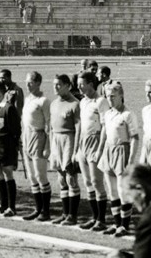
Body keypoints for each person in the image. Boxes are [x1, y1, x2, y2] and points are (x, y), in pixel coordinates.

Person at [99, 82, 140, 237]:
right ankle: (116, 224)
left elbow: (135, 138)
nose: (110, 99)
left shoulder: (128, 114)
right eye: (108, 96)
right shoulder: (108, 113)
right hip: (108, 151)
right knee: (112, 191)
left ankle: (124, 225)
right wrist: (100, 149)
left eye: (113, 96)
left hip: (122, 150)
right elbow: (104, 132)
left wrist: (130, 160)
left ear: (121, 96)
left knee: (123, 191)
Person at [76, 71, 109, 229]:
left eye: (81, 84)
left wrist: (100, 149)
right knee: (87, 182)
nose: (79, 87)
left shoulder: (101, 101)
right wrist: (77, 148)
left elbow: (105, 127)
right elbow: (80, 126)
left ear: (90, 83)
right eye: (78, 84)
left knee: (97, 182)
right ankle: (94, 217)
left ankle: (101, 220)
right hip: (83, 142)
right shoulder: (82, 102)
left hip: (95, 142)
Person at [49, 74, 82, 224]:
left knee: (71, 177)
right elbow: (50, 127)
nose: (55, 87)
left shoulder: (75, 104)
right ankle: (64, 213)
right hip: (56, 140)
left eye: (58, 85)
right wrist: (51, 148)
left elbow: (78, 128)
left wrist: (75, 151)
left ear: (67, 86)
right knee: (61, 178)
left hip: (69, 139)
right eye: (54, 84)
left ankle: (72, 215)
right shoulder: (54, 104)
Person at [21, 71, 52, 221]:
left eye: (31, 82)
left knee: (41, 175)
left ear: (38, 83)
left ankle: (46, 211)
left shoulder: (44, 101)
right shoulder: (27, 99)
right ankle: (37, 208)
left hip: (38, 136)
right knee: (32, 177)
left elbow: (49, 124)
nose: (27, 85)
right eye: (26, 82)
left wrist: (47, 145)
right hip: (26, 137)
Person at [0, 81, 21, 216]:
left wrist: (13, 147)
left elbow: (16, 130)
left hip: (6, 147)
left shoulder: (8, 108)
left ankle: (12, 207)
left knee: (8, 174)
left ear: (0, 93)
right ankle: (3, 204)